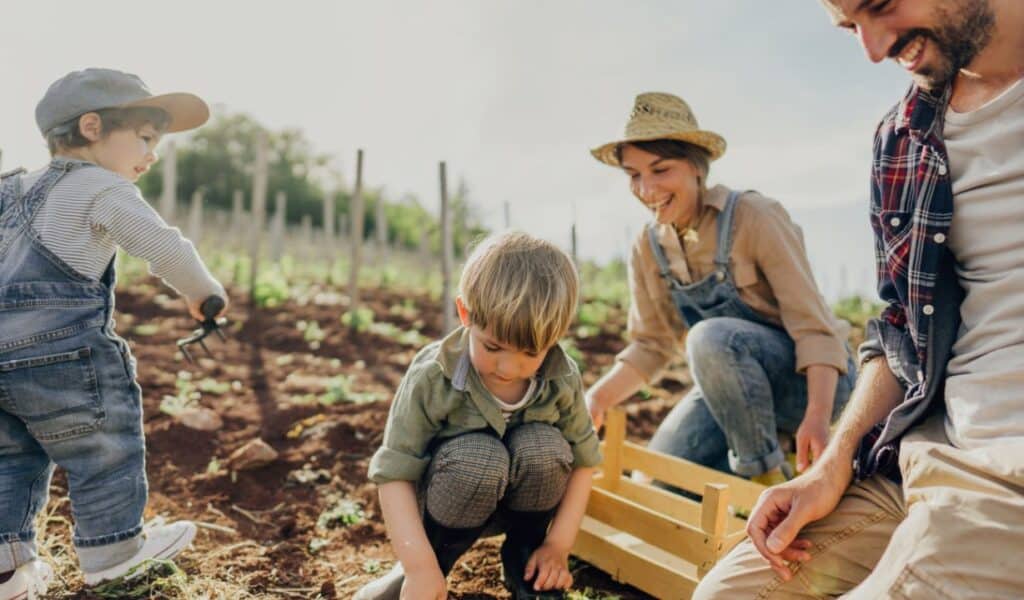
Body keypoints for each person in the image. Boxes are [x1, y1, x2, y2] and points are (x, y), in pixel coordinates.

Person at [695, 1, 1024, 597]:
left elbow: (813, 326)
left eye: (880, 6)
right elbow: (900, 325)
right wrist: (832, 464)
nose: (873, 50)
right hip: (925, 453)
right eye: (850, 28)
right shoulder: (904, 138)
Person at [0, 68, 227, 599]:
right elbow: (162, 244)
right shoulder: (101, 185)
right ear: (93, 126)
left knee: (10, 457)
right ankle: (114, 551)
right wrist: (203, 291)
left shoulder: (9, 190)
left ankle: (7, 569)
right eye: (146, 140)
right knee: (102, 443)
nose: (151, 156)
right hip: (63, 352)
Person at [586, 92, 856, 486]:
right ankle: (758, 472)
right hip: (734, 399)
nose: (646, 189)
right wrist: (596, 398)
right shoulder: (648, 247)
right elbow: (651, 345)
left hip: (811, 389)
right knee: (656, 482)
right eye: (634, 175)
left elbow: (814, 329)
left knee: (710, 338)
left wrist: (817, 418)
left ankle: (765, 481)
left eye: (660, 170)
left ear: (696, 167)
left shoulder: (754, 217)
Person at [355, 231, 601, 600]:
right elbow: (394, 473)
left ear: (555, 338)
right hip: (447, 502)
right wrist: (418, 568)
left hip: (525, 506)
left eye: (529, 353)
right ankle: (433, 566)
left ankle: (524, 560)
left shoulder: (560, 380)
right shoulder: (433, 376)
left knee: (546, 446)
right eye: (493, 346)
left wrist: (557, 547)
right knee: (479, 456)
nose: (508, 367)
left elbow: (584, 463)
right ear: (465, 313)